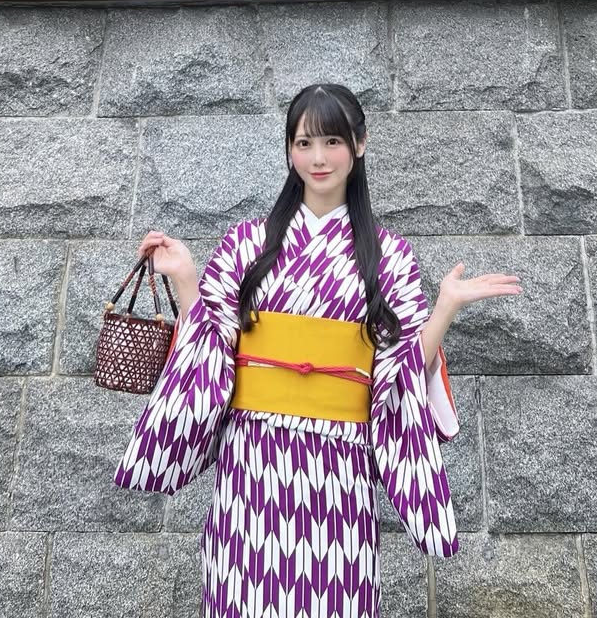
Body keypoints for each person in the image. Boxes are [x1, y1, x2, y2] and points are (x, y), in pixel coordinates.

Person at [115, 82, 523, 618]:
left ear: (359, 144)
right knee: (244, 595)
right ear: (289, 150)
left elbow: (399, 373)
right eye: (303, 143)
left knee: (336, 596)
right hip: (252, 462)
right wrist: (186, 278)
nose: (318, 158)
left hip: (338, 466)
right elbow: (213, 346)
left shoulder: (390, 256)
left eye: (332, 141)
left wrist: (444, 308)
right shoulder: (247, 244)